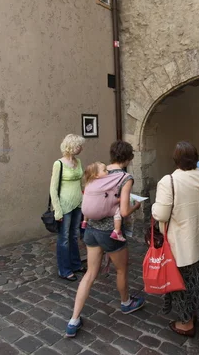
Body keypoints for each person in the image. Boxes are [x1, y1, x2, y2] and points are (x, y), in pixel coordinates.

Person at [66, 141, 144, 338]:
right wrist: (136, 206)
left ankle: (73, 320)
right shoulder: (126, 178)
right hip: (111, 232)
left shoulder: (96, 171)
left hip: (90, 229)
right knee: (121, 269)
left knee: (90, 274)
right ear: (128, 159)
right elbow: (124, 211)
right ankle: (126, 303)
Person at [152, 141, 199, 337]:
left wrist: (154, 209)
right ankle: (198, 311)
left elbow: (162, 215)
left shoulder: (169, 181)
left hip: (181, 242)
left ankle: (187, 322)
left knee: (181, 283)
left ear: (175, 159)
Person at [51, 134, 86, 282]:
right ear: (71, 146)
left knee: (74, 235)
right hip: (65, 205)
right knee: (64, 238)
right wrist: (57, 209)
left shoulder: (78, 161)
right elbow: (53, 188)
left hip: (78, 203)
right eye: (78, 145)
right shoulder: (58, 164)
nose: (81, 148)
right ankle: (64, 270)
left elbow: (81, 183)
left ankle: (75, 264)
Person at [82, 162, 125, 241]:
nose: (108, 172)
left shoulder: (89, 183)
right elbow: (111, 199)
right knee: (117, 211)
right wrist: (121, 199)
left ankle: (84, 221)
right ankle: (117, 231)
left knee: (88, 203)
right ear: (96, 175)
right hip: (98, 214)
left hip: (86, 212)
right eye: (104, 170)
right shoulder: (104, 184)